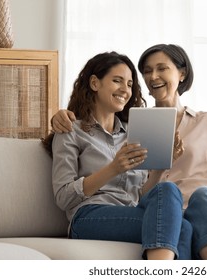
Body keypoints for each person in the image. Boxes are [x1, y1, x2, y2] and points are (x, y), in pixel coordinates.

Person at [51, 44, 207, 260]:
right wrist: (59, 116)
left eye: (162, 68)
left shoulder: (199, 122)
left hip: (205, 203)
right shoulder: (138, 127)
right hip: (137, 211)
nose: (152, 76)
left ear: (181, 74)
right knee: (174, 212)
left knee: (195, 202)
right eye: (147, 71)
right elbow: (72, 192)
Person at [42, 51, 192, 260]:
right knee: (180, 227)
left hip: (129, 211)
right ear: (95, 83)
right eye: (117, 81)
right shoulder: (70, 131)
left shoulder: (134, 133)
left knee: (169, 192)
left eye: (130, 84)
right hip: (88, 217)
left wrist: (162, 166)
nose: (125, 90)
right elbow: (64, 197)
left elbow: (140, 196)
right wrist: (114, 168)